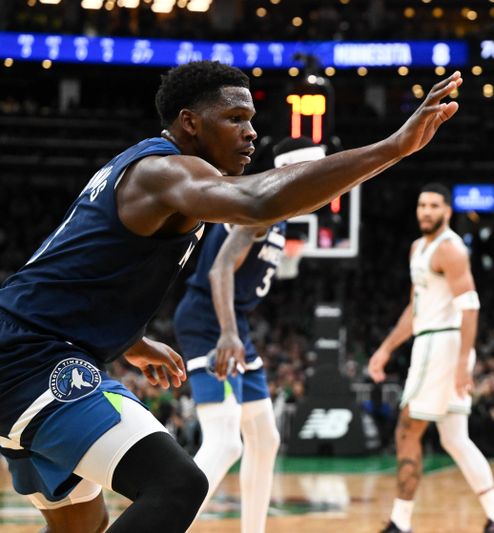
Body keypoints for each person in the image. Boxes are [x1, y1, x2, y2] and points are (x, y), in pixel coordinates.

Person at [0, 60, 461, 533]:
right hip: (32, 359)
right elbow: (260, 202)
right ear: (190, 122)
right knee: (176, 483)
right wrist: (393, 147)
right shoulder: (166, 172)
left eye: (252, 121)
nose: (251, 133)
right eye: (235, 119)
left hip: (33, 344)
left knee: (81, 525)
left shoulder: (145, 169)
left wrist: (133, 342)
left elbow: (79, 266)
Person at [172, 135, 324, 532]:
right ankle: (159, 523)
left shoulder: (281, 211)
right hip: (210, 323)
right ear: (295, 171)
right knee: (225, 443)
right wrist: (227, 335)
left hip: (231, 323)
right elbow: (219, 269)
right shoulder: (263, 207)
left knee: (265, 437)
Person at [368, 183, 494, 533]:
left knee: (407, 430)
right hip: (434, 341)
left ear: (447, 211)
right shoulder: (418, 248)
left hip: (441, 346)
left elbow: (471, 307)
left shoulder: (450, 250)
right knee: (454, 439)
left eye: (434, 205)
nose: (426, 211)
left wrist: (464, 363)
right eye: (422, 205)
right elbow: (416, 309)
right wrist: (386, 348)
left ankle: (400, 523)